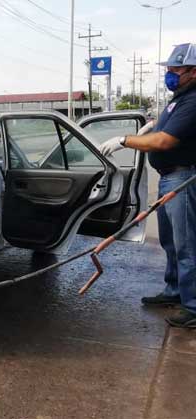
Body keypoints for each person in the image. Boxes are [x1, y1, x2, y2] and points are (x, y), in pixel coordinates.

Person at [99, 43, 196, 328]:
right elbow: (164, 129)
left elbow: (164, 141)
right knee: (171, 242)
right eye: (169, 69)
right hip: (169, 177)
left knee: (187, 246)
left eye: (175, 69)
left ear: (193, 71)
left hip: (182, 178)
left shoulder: (193, 100)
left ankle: (193, 306)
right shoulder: (180, 98)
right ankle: (175, 290)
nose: (170, 74)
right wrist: (152, 126)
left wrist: (125, 140)